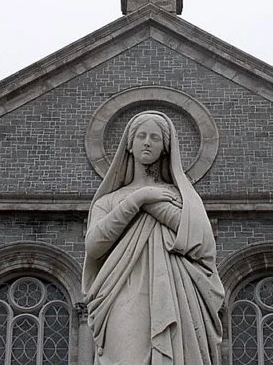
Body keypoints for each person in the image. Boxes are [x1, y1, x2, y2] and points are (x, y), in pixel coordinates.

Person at [83, 111, 224, 365]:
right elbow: (94, 246)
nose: (147, 142)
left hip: (176, 290)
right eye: (141, 136)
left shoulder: (183, 197)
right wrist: (139, 198)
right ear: (129, 143)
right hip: (122, 293)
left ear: (165, 148)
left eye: (155, 138)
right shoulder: (108, 201)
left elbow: (199, 242)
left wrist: (150, 201)